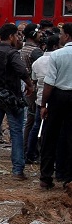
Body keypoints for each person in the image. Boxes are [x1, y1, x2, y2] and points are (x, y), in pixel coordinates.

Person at [0, 23, 33, 180]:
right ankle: (17, 170)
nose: (18, 39)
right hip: (12, 97)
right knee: (16, 131)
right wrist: (30, 84)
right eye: (17, 36)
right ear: (11, 36)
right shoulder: (12, 53)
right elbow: (21, 71)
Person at [39, 23, 72, 190]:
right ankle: (68, 177)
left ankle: (46, 177)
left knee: (50, 136)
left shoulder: (57, 55)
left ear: (66, 36)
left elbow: (49, 82)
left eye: (61, 34)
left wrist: (44, 104)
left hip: (59, 96)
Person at [27, 34, 59, 165]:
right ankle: (51, 158)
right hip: (55, 100)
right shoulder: (58, 59)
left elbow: (33, 81)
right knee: (53, 131)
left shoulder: (37, 62)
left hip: (40, 99)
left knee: (36, 128)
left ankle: (30, 153)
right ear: (56, 46)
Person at [20, 24, 42, 148]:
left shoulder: (24, 48)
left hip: (27, 85)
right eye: (38, 33)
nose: (41, 35)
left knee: (30, 117)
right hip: (33, 87)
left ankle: (25, 145)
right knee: (33, 118)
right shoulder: (35, 51)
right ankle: (30, 147)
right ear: (33, 34)